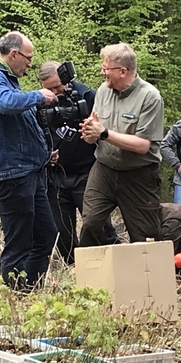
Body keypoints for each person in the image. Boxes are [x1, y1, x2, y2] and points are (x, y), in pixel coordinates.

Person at [0, 32, 58, 290]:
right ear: (13, 55)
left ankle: (30, 291)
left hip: (29, 170)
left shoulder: (7, 78)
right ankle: (13, 296)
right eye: (28, 59)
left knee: (46, 234)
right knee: (19, 242)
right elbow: (5, 103)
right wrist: (38, 96)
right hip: (11, 173)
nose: (30, 64)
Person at [79, 43, 164, 246]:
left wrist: (105, 133)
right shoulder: (103, 91)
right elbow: (96, 128)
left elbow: (143, 145)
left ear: (123, 71)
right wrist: (90, 134)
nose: (102, 72)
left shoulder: (150, 97)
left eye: (106, 68)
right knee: (90, 223)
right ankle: (92, 274)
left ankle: (144, 275)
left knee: (144, 236)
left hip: (139, 175)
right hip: (104, 170)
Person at [38, 61, 120, 264]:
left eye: (58, 86)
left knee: (98, 227)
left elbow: (103, 130)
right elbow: (37, 133)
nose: (56, 91)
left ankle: (111, 265)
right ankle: (74, 271)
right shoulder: (41, 101)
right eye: (50, 88)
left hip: (87, 173)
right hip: (57, 175)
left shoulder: (87, 96)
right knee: (62, 234)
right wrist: (45, 153)